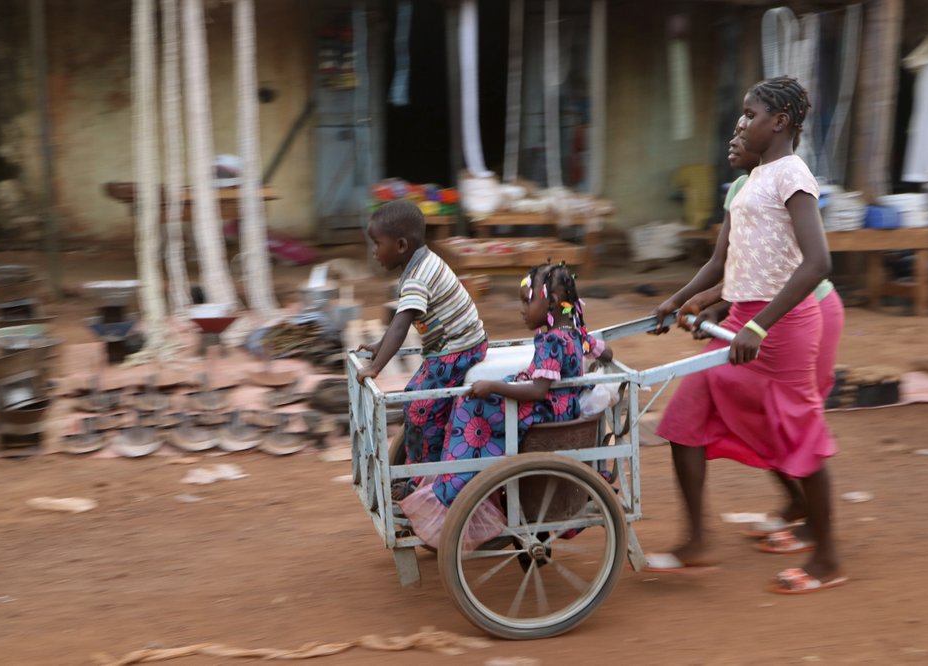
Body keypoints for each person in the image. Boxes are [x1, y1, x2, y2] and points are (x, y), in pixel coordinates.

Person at [647, 76, 846, 594]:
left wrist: (759, 324)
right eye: (742, 114)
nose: (740, 123)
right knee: (685, 417)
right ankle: (695, 540)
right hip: (743, 323)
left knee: (799, 435)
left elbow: (818, 261)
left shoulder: (792, 176)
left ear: (779, 122)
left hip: (784, 326)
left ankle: (827, 558)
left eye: (750, 114)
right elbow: (721, 262)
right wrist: (677, 300)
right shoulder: (749, 182)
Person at [400, 261, 614, 548]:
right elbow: (606, 351)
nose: (522, 310)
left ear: (550, 302)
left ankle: (454, 486)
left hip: (545, 410)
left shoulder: (552, 341)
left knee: (471, 409)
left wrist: (493, 386)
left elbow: (538, 390)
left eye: (526, 301)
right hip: (560, 404)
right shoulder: (576, 333)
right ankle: (457, 475)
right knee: (479, 399)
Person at [357, 200, 488, 497]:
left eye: (377, 244)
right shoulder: (420, 264)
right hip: (453, 346)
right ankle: (427, 464)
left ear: (401, 245)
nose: (374, 251)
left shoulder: (418, 276)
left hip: (459, 350)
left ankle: (424, 481)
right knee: (418, 400)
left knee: (420, 404)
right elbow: (399, 323)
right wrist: (380, 346)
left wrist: (375, 367)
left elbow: (401, 326)